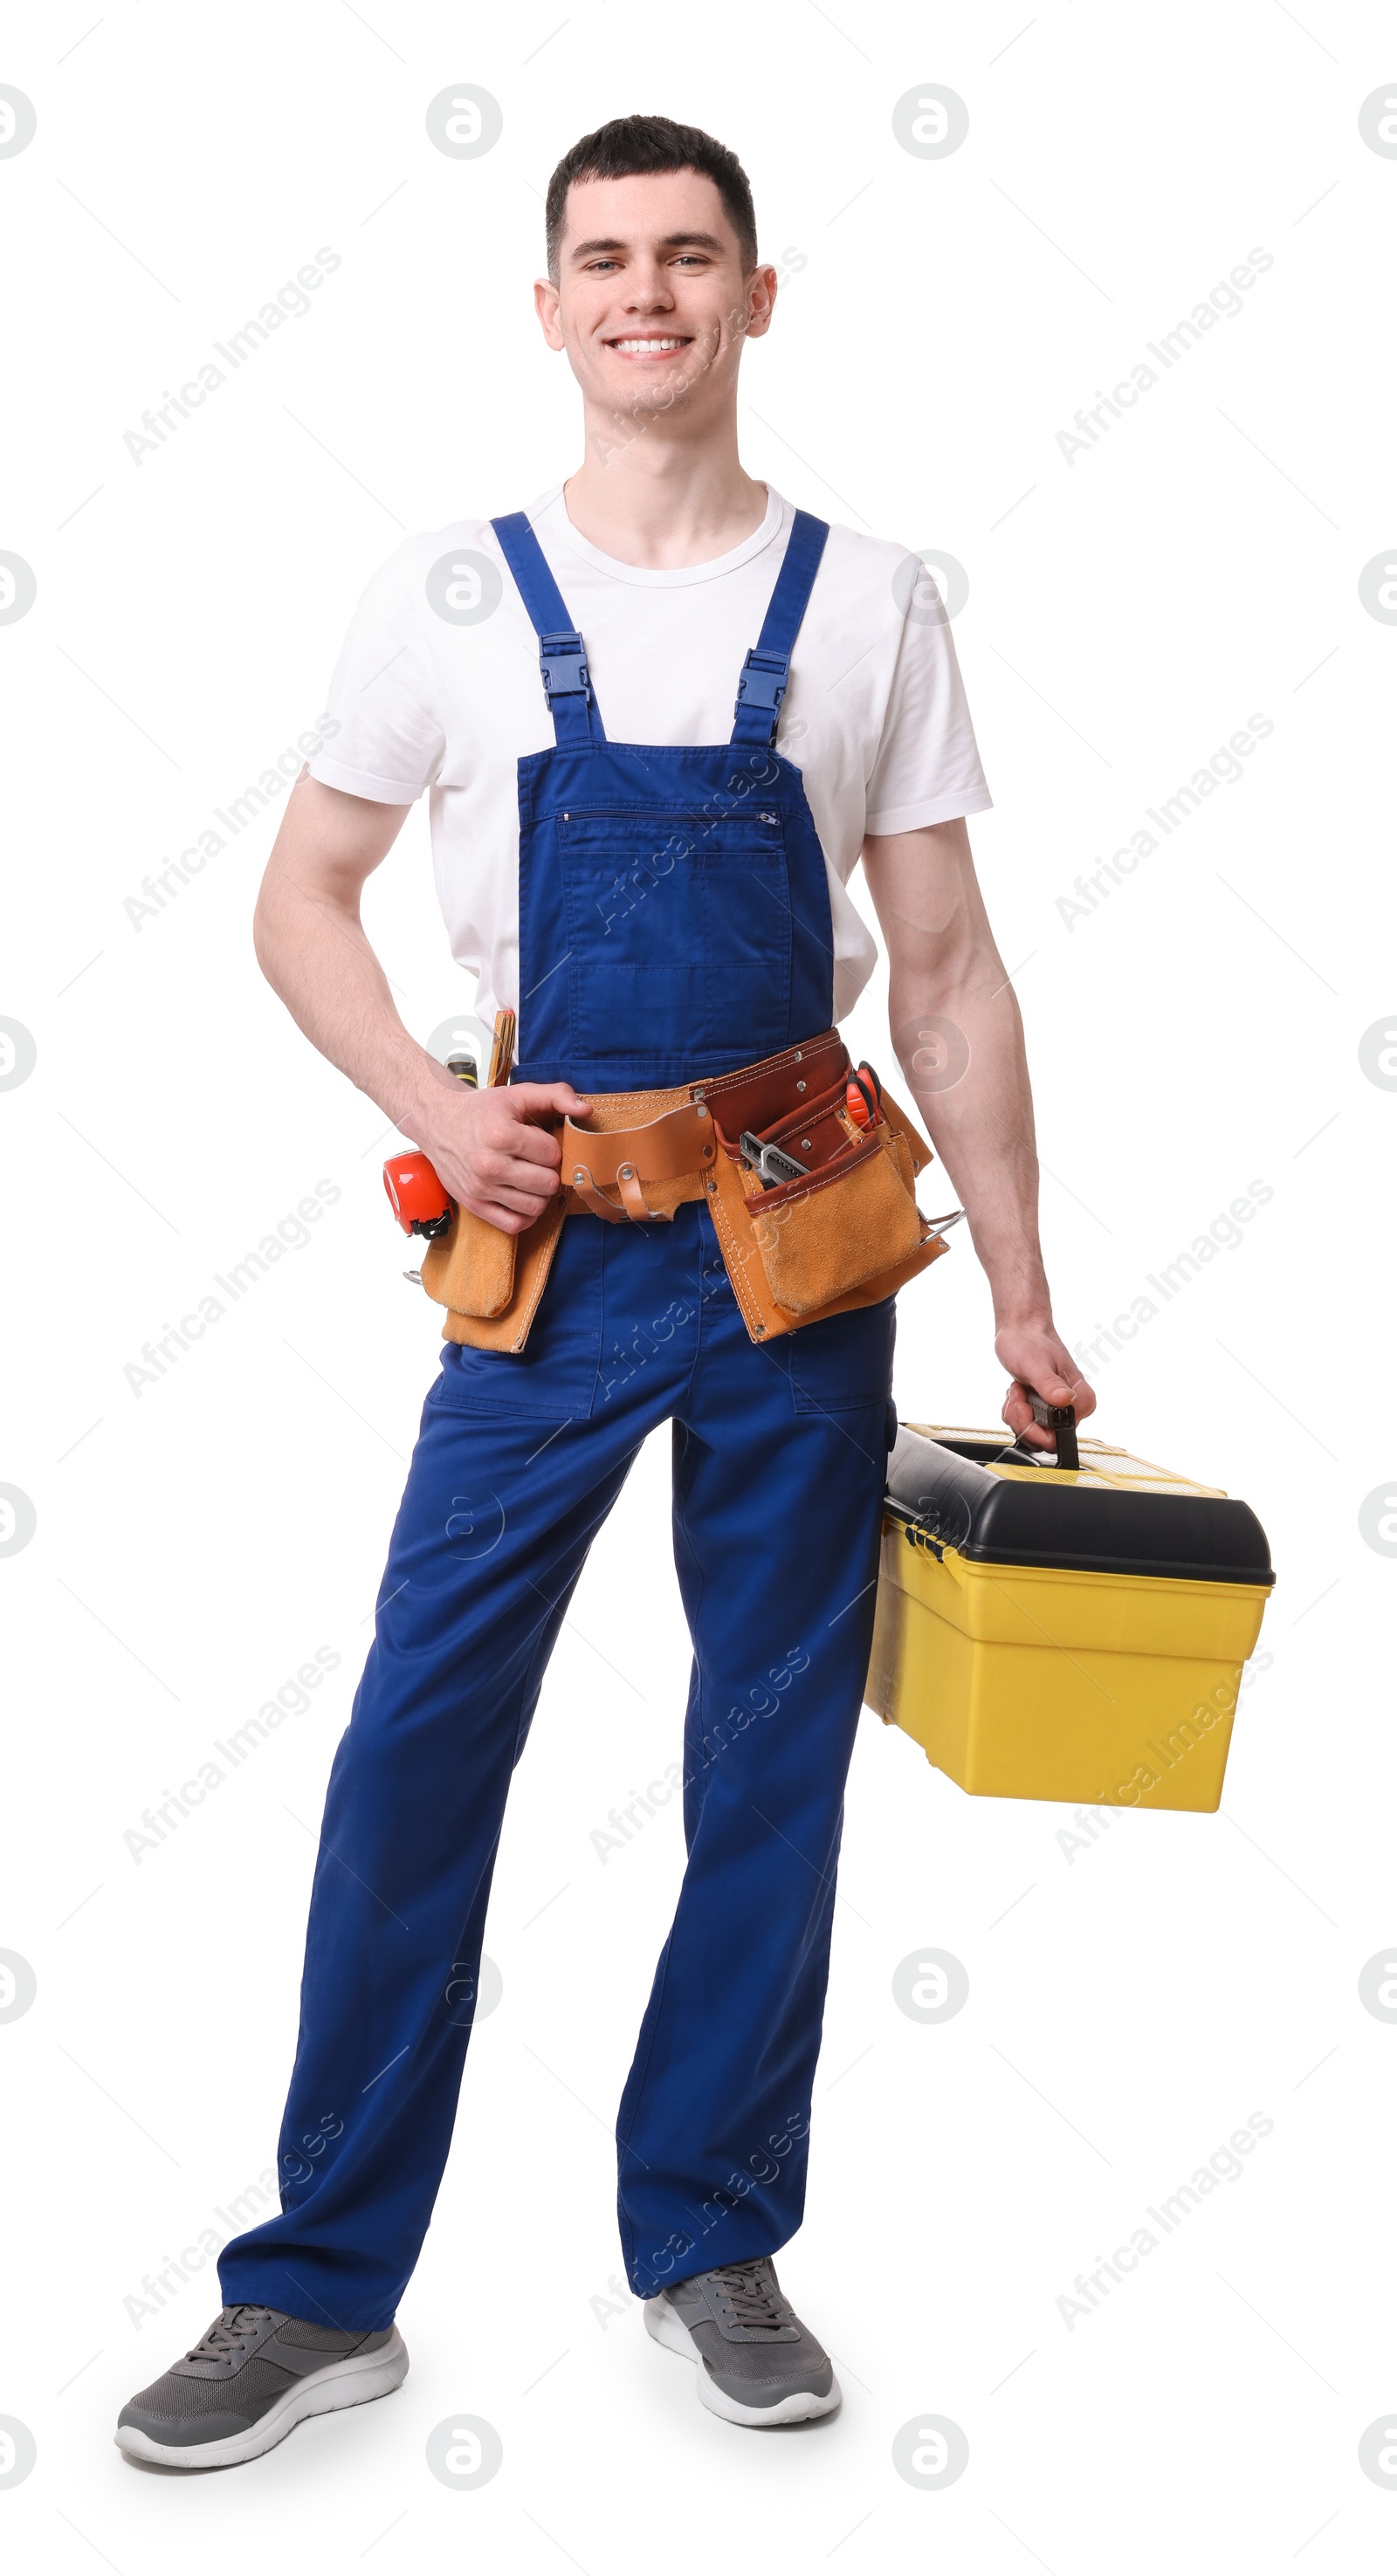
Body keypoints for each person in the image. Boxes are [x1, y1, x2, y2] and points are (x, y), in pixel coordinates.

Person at [115, 112, 1094, 2470]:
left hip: (798, 1244)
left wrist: (1030, 1298)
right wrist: (436, 1118)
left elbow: (945, 975)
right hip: (538, 1250)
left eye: (689, 256)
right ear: (547, 310)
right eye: (602, 260)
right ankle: (323, 2286)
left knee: (764, 1762)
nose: (646, 292)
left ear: (758, 298)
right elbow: (301, 902)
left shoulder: (869, 602)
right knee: (414, 1744)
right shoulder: (444, 597)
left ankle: (711, 2244)